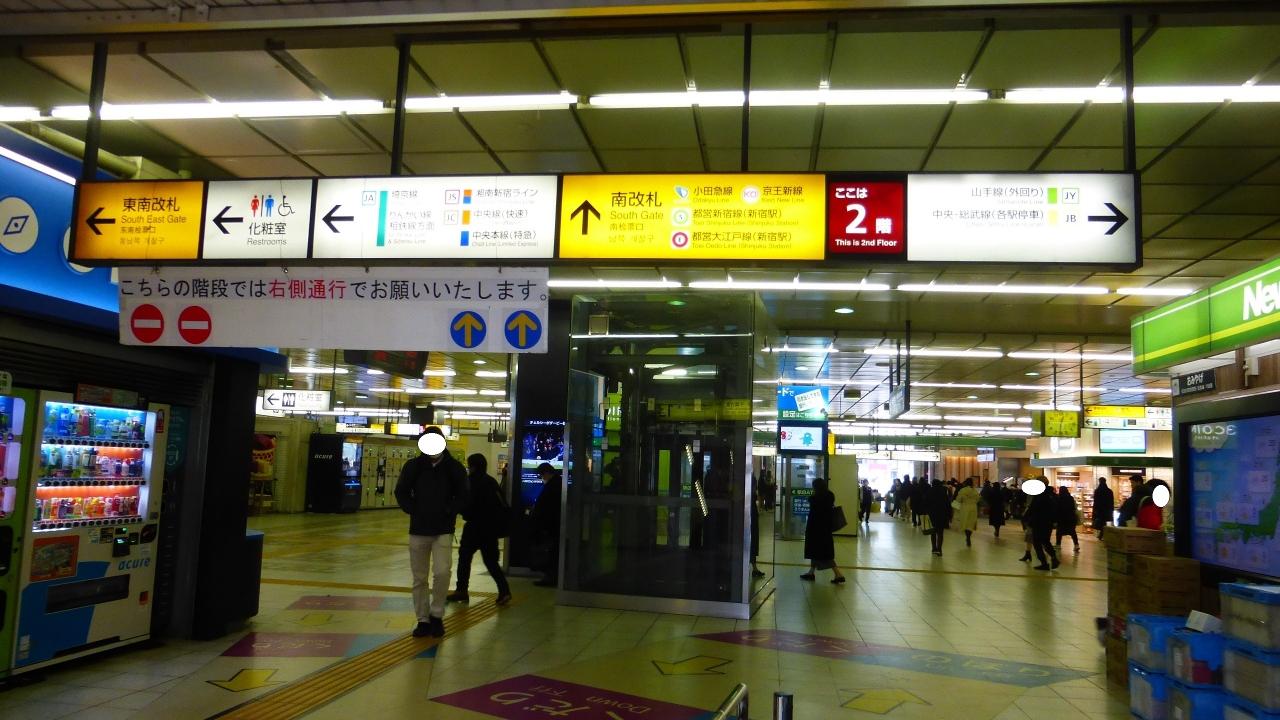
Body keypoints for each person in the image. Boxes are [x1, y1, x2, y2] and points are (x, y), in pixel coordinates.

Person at [394, 427, 469, 638]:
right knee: (419, 577)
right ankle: (422, 620)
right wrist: (413, 509)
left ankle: (436, 615)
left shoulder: (454, 468)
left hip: (443, 529)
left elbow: (464, 494)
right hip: (418, 529)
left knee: (442, 572)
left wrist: (449, 511)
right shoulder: (414, 466)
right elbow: (401, 491)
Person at [447, 454, 512, 606]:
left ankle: (461, 590)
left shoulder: (470, 482)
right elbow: (502, 504)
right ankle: (504, 591)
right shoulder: (491, 481)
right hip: (491, 529)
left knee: (464, 558)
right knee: (491, 561)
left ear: (473, 466)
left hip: (474, 527)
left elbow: (465, 504)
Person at [801, 477, 846, 584]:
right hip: (826, 529)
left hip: (815, 529)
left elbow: (814, 509)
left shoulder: (814, 498)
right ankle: (811, 572)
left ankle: (838, 574)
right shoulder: (830, 495)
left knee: (823, 554)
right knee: (817, 551)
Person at [529, 462, 562, 587]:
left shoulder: (552, 486)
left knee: (551, 553)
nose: (542, 477)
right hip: (553, 524)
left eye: (541, 475)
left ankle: (550, 578)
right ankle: (551, 577)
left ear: (547, 473)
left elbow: (546, 507)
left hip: (550, 525)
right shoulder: (557, 483)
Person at [1026, 479, 1060, 571]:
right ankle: (1054, 558)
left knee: (1037, 543)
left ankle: (1044, 563)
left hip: (1038, 522)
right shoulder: (1052, 495)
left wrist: (1026, 519)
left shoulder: (1039, 495)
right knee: (1046, 541)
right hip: (1048, 523)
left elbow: (1032, 508)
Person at [927, 477, 951, 556]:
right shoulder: (943, 492)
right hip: (941, 515)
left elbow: (925, 502)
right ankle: (939, 549)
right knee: (940, 533)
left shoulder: (929, 492)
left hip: (932, 515)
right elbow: (948, 504)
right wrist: (949, 515)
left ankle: (934, 548)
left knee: (933, 533)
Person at [954, 478, 980, 547]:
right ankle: (969, 537)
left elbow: (958, 499)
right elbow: (978, 499)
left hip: (965, 508)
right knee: (971, 524)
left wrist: (954, 508)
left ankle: (967, 537)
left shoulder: (963, 490)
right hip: (973, 508)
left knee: (965, 523)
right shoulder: (975, 491)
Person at [1056, 484, 1080, 553]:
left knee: (1059, 531)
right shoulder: (1071, 498)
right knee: (1072, 532)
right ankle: (1076, 545)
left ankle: (1058, 545)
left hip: (1061, 518)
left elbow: (1057, 508)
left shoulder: (1059, 498)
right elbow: (1074, 507)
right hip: (1071, 517)